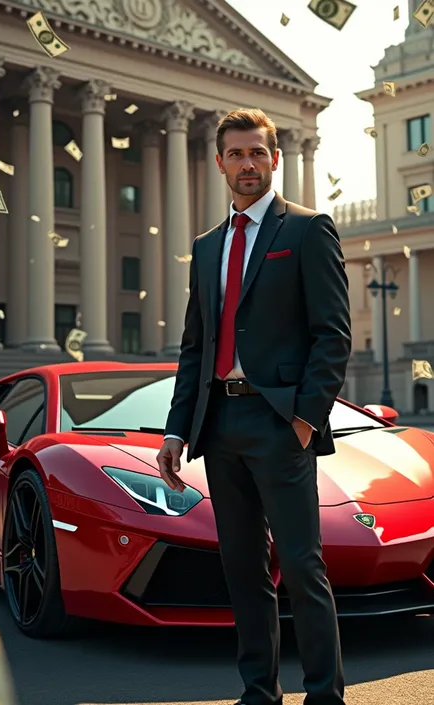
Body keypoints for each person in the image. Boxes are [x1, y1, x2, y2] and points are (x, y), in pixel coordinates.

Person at [156, 108, 351, 705]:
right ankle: (259, 693)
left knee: (300, 567)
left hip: (277, 423)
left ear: (275, 158)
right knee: (242, 571)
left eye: (257, 153)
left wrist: (302, 420)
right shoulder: (207, 246)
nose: (247, 164)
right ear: (219, 162)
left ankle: (324, 695)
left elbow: (333, 335)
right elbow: (197, 347)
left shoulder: (307, 229)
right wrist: (175, 430)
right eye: (236, 154)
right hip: (219, 426)